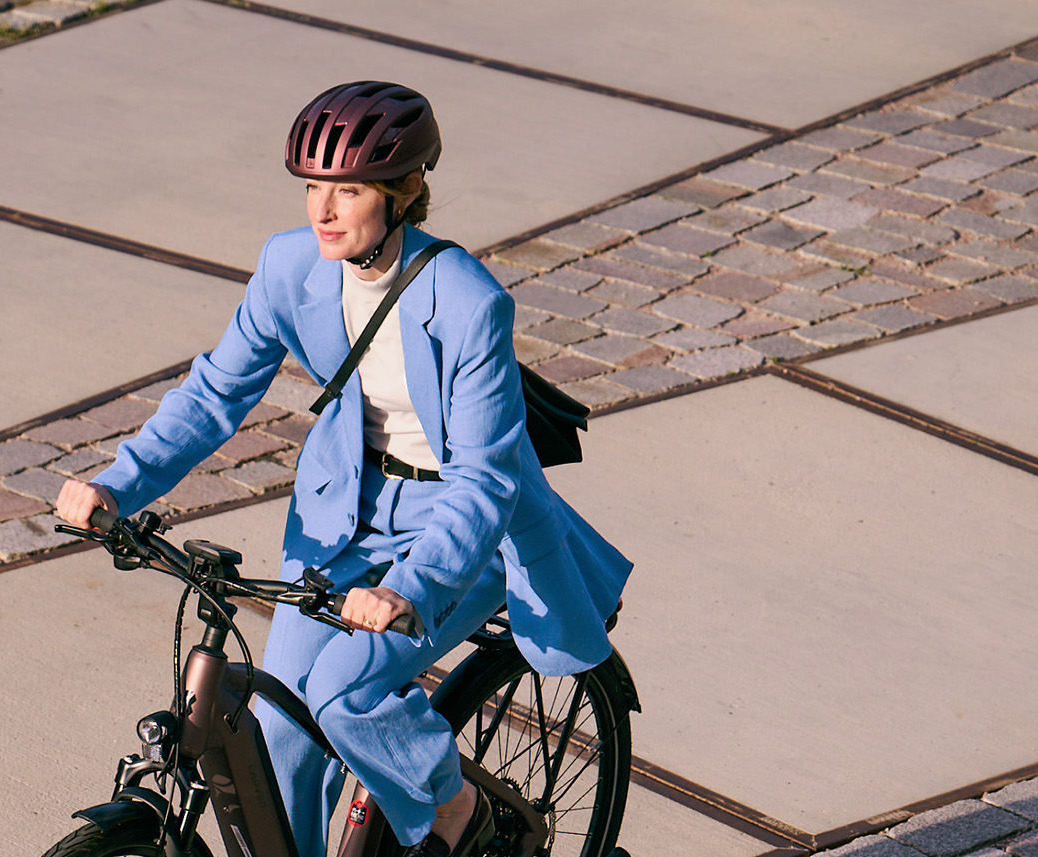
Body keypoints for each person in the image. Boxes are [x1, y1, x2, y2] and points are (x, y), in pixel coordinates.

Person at [54, 81, 633, 857]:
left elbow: (486, 481)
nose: (322, 211)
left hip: (456, 531)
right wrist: (117, 484)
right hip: (343, 515)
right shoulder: (291, 267)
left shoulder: (468, 303)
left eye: (348, 190)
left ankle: (458, 813)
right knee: (281, 731)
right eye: (313, 188)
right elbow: (217, 391)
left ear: (407, 190)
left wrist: (409, 590)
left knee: (343, 692)